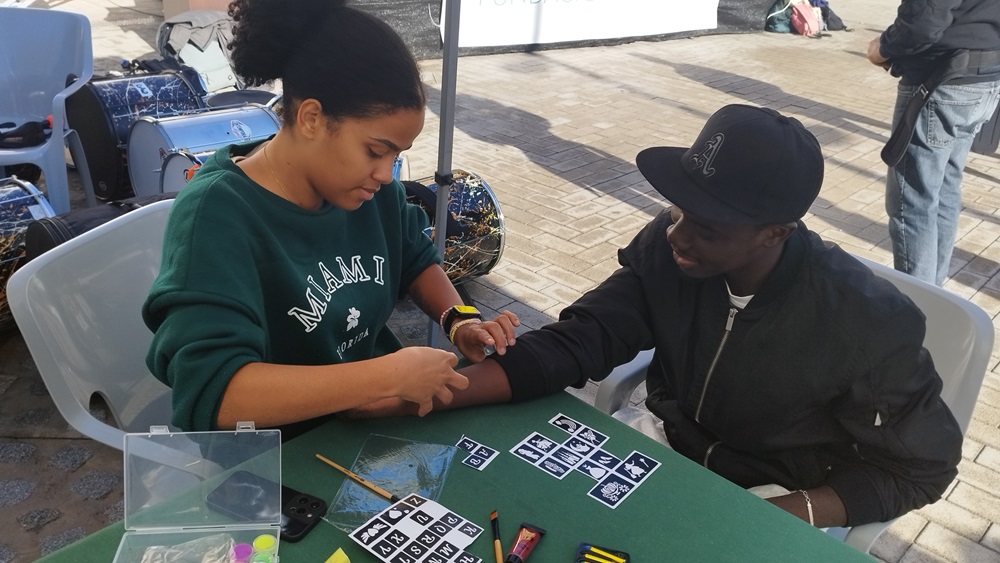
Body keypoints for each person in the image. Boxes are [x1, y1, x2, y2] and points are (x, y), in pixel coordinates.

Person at [429, 104, 962, 528]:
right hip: (662, 442)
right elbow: (584, 338)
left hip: (776, 491)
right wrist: (435, 393)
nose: (676, 235)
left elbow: (921, 469)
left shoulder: (867, 324)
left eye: (708, 227)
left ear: (776, 231)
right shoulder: (670, 248)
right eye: (677, 208)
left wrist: (773, 514)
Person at [142, 0, 517, 437]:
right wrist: (387, 377)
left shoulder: (370, 192)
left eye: (397, 154)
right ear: (312, 118)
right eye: (376, 151)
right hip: (277, 458)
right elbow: (216, 396)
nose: (386, 172)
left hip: (369, 427)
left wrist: (461, 321)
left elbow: (415, 257)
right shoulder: (217, 215)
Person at [867, 1, 1000, 286]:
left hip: (942, 78)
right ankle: (934, 294)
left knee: (913, 200)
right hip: (983, 75)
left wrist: (883, 47)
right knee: (944, 188)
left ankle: (920, 307)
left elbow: (923, 23)